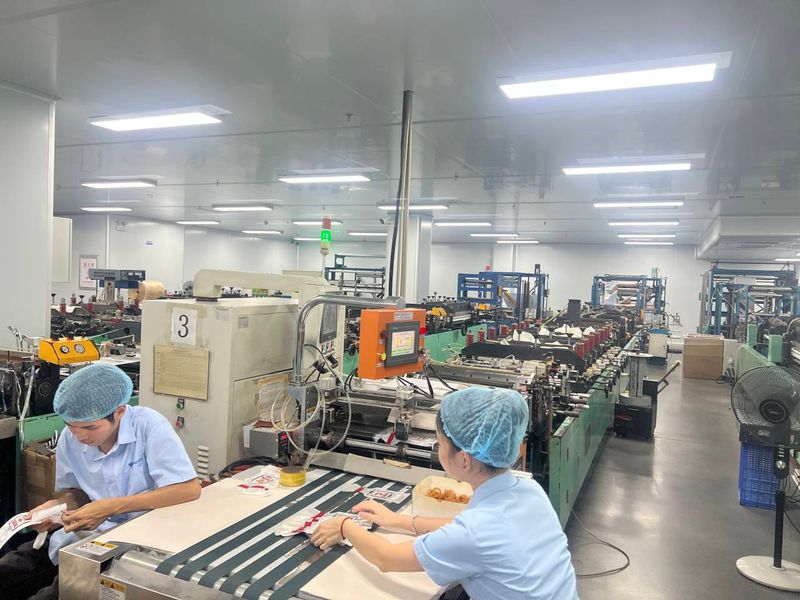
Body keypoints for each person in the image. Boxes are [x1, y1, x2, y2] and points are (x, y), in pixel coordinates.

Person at [311, 387, 578, 600]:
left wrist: (345, 526)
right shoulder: (529, 490)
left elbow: (386, 558)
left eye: (440, 443)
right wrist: (398, 520)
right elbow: (459, 527)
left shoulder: (475, 533)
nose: (438, 450)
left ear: (464, 459)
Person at [0, 362, 201, 600]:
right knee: (9, 571)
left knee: (56, 593)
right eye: (71, 426)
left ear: (120, 412)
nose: (80, 436)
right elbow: (78, 493)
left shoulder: (148, 427)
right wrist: (55, 509)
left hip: (133, 543)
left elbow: (188, 489)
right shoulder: (70, 439)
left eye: (90, 427)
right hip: (84, 536)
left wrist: (110, 508)